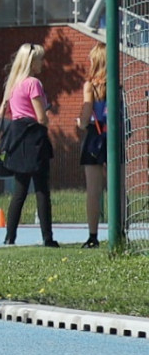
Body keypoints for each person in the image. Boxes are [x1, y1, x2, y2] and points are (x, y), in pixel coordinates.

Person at [0, 43, 58, 248]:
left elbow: (2, 113)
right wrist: (47, 117)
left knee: (19, 191)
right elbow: (41, 117)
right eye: (40, 59)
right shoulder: (33, 83)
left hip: (17, 136)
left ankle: (10, 236)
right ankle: (47, 237)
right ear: (32, 62)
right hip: (35, 138)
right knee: (42, 189)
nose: (43, 63)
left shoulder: (13, 84)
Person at [77, 42, 107, 248]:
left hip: (94, 137)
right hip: (113, 136)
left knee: (93, 191)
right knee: (118, 189)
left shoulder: (91, 85)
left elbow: (85, 117)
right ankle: (120, 231)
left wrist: (79, 122)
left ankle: (93, 236)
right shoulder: (116, 83)